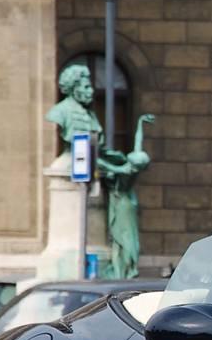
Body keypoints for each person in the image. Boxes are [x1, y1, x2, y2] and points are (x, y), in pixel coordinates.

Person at [97, 113, 155, 279]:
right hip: (125, 201)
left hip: (123, 206)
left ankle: (126, 271)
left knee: (125, 239)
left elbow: (105, 165)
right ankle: (122, 269)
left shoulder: (128, 171)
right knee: (121, 239)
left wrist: (93, 156)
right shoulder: (133, 165)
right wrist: (140, 124)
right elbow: (138, 144)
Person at [45, 63, 105, 155]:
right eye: (86, 87)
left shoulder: (90, 114)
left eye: (90, 87)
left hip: (91, 160)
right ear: (73, 88)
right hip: (70, 159)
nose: (91, 91)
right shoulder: (59, 112)